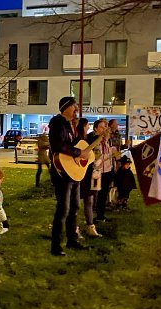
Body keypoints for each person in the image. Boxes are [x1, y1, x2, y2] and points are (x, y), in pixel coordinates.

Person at [49, 96, 91, 256]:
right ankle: (56, 246)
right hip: (62, 174)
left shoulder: (72, 125)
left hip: (73, 172)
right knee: (63, 209)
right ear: (66, 107)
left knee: (75, 207)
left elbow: (77, 143)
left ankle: (72, 240)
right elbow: (58, 145)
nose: (76, 108)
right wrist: (77, 152)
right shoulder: (57, 124)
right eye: (74, 106)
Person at [77, 118, 102, 238]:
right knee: (75, 202)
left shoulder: (88, 139)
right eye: (87, 126)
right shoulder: (80, 140)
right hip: (78, 174)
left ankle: (90, 226)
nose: (88, 128)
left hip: (88, 174)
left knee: (89, 200)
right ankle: (74, 227)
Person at [92, 120, 114, 222]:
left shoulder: (106, 141)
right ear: (95, 129)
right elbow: (97, 159)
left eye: (105, 127)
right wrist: (110, 155)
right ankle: (93, 216)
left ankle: (101, 215)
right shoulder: (95, 142)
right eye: (101, 127)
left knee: (104, 194)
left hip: (107, 171)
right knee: (96, 195)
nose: (104, 129)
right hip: (98, 172)